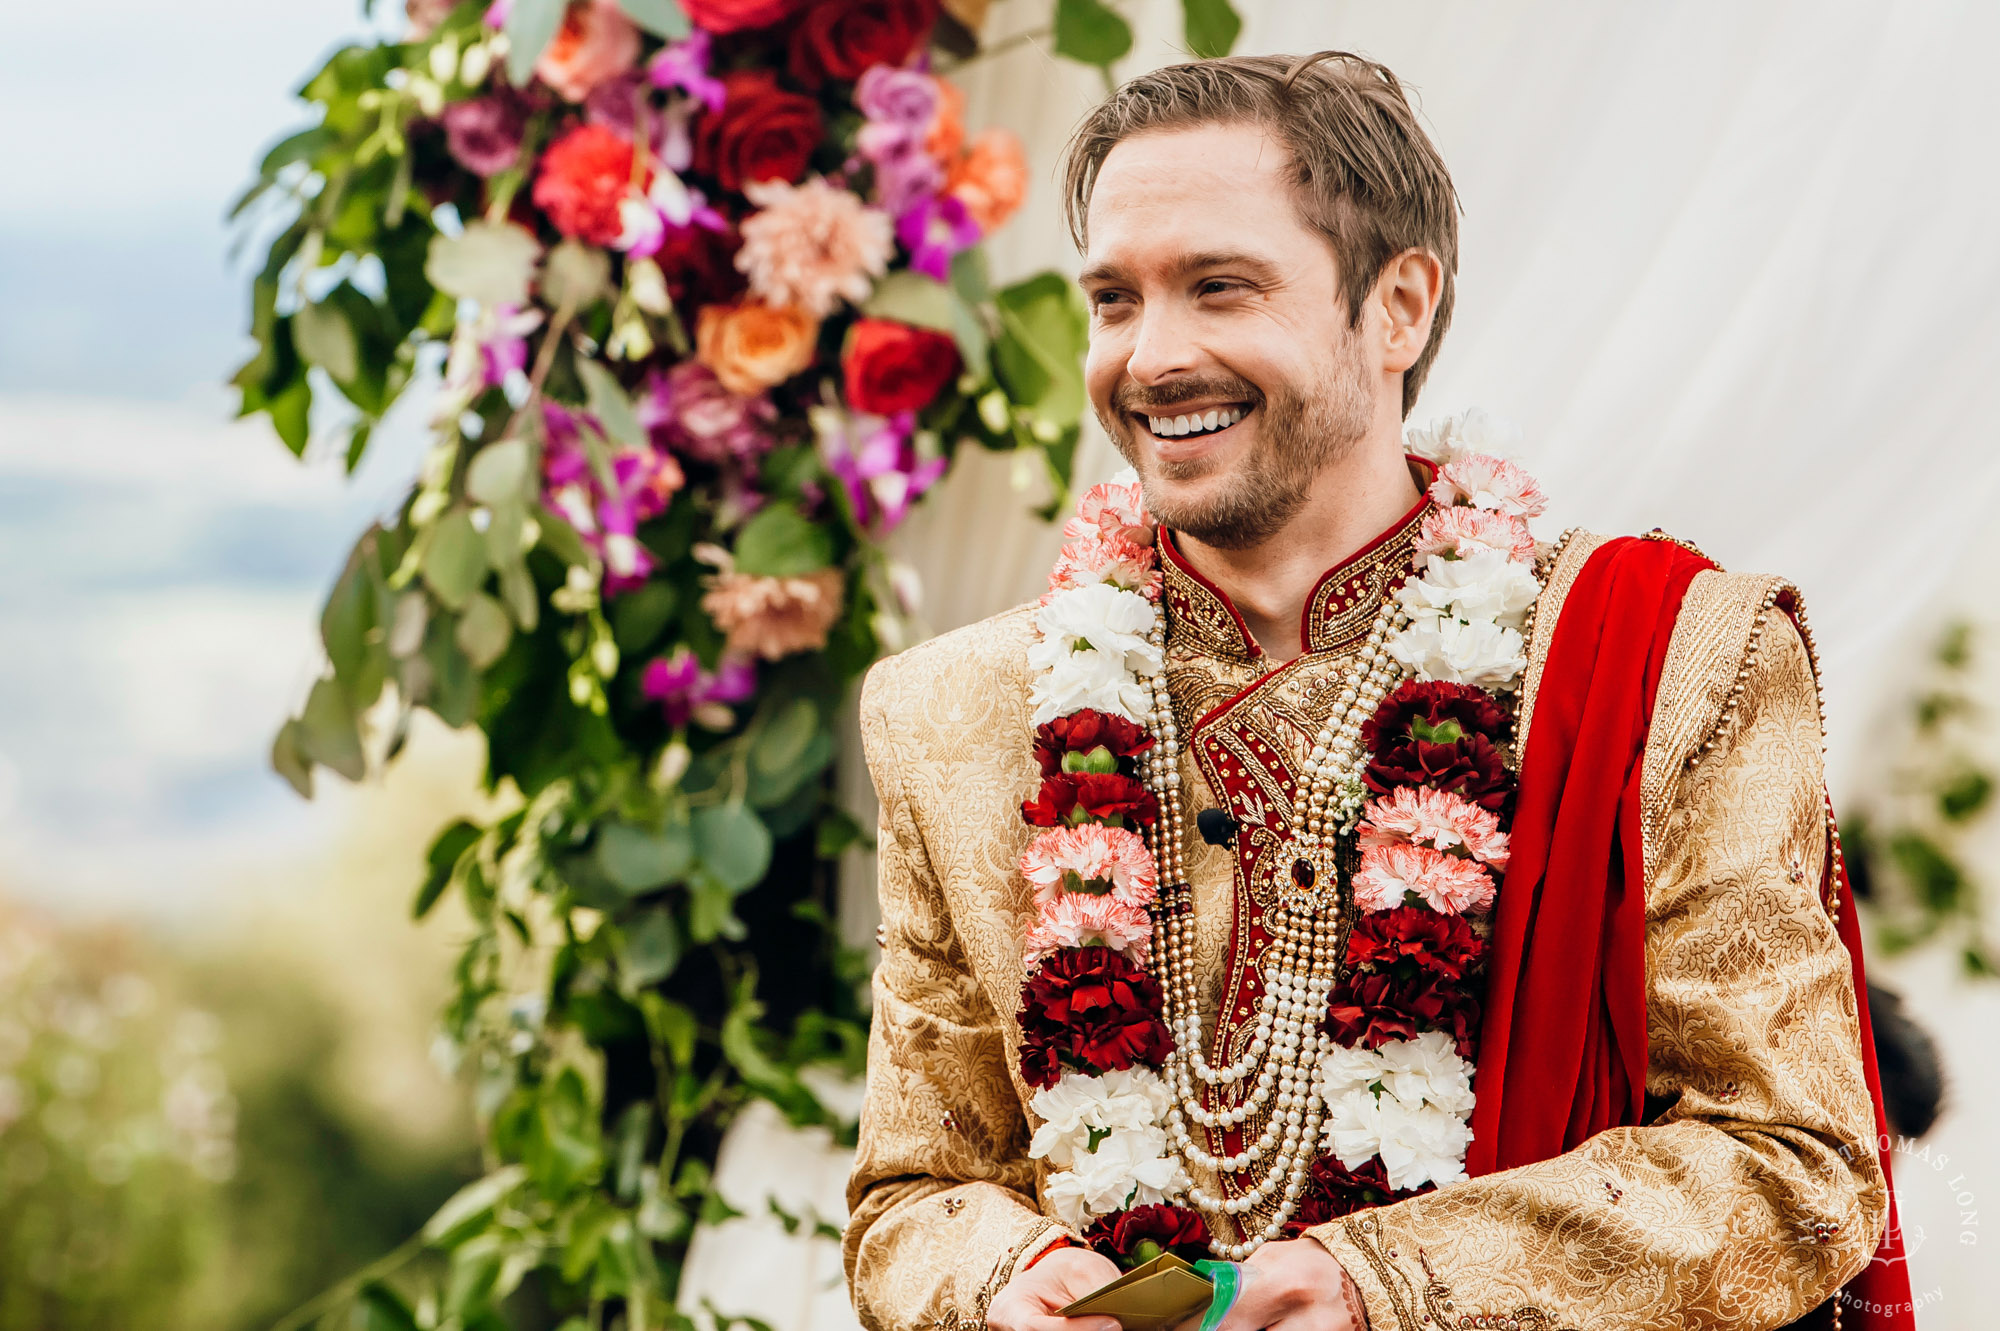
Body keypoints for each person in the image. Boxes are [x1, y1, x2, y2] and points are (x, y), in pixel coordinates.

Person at [844, 51, 1914, 1331]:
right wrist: (997, 1277)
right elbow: (913, 1192)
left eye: (1218, 287)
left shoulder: (1671, 661)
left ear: (1398, 304)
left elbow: (1793, 1166)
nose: (1151, 355)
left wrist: (1389, 1284)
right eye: (1114, 299)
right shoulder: (950, 715)